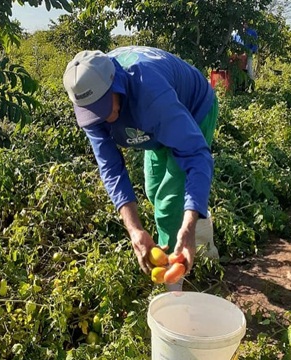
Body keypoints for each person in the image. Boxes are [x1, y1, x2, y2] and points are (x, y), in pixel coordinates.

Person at [62, 46, 219, 289]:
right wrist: (134, 230)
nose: (101, 119)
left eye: (104, 108)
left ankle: (174, 281)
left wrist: (186, 227)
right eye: (93, 113)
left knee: (169, 205)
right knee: (154, 189)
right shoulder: (90, 107)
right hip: (156, 121)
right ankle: (203, 230)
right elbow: (111, 169)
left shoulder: (149, 93)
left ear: (115, 86)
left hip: (194, 109)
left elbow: (196, 156)